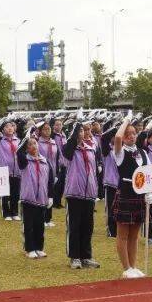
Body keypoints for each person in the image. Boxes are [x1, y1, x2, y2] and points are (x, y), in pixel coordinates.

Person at [111, 115, 149, 278]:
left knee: (135, 235)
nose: (131, 136)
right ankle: (126, 268)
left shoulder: (143, 152)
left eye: (134, 133)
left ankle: (133, 266)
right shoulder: (119, 152)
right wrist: (126, 120)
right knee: (123, 234)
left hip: (140, 196)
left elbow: (149, 174)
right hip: (126, 193)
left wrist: (149, 192)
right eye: (128, 134)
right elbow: (118, 137)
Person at [62, 114, 100, 269]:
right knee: (74, 226)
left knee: (88, 226)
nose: (82, 133)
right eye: (79, 131)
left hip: (89, 193)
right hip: (74, 192)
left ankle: (86, 256)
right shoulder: (68, 149)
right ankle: (74, 256)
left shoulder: (91, 148)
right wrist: (76, 125)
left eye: (84, 131)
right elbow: (70, 144)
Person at [17, 129, 52, 258]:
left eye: (34, 143)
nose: (33, 146)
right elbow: (18, 152)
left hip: (42, 198)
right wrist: (25, 138)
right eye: (30, 144)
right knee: (29, 225)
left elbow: (50, 179)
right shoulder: (24, 160)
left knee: (40, 225)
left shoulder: (44, 161)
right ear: (26, 148)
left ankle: (39, 247)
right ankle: (30, 248)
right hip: (28, 198)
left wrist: (50, 196)